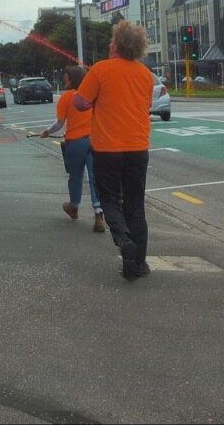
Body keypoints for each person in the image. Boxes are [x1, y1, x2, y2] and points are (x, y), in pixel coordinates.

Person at [73, 21, 154, 281]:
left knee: (109, 199)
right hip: (138, 148)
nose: (109, 44)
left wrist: (93, 98)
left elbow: (81, 102)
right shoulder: (145, 74)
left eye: (111, 40)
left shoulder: (100, 70)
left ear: (118, 44)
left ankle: (122, 238)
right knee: (136, 206)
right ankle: (138, 264)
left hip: (108, 148)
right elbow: (146, 104)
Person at [41, 65, 105, 232]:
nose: (64, 79)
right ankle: (99, 213)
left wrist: (47, 132)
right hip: (94, 140)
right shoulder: (92, 96)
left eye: (66, 77)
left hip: (75, 143)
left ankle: (74, 206)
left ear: (71, 79)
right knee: (95, 177)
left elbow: (60, 123)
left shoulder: (67, 98)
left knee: (75, 176)